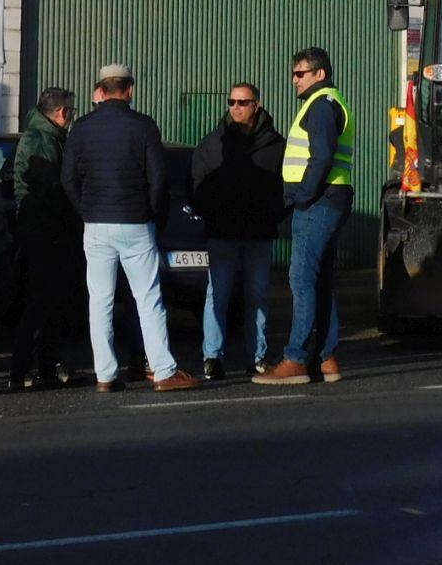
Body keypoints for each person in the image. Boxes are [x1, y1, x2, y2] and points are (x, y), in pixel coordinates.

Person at [60, 64, 198, 393]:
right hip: (136, 221)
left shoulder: (82, 128)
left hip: (96, 223)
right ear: (130, 89)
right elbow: (159, 180)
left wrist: (85, 211)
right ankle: (164, 371)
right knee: (148, 298)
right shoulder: (143, 126)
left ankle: (106, 375)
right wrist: (153, 215)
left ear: (101, 90)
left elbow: (67, 179)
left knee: (100, 301)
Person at [256, 47, 353, 385]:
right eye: (294, 73)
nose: (294, 80)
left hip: (318, 202)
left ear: (319, 74)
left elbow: (322, 156)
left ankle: (296, 359)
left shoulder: (321, 105)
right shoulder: (328, 102)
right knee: (319, 281)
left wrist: (302, 195)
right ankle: (326, 359)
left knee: (301, 280)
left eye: (300, 73)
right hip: (330, 198)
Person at [191, 81, 284, 380]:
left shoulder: (275, 145)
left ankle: (256, 357)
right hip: (222, 232)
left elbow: (286, 187)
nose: (235, 108)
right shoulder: (213, 143)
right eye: (231, 102)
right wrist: (213, 215)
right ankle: (212, 357)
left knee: (257, 296)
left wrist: (274, 215)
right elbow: (197, 185)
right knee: (217, 295)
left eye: (242, 102)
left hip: (259, 233)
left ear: (256, 105)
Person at [10, 85, 83, 390]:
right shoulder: (42, 140)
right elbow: (51, 189)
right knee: (40, 302)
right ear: (62, 112)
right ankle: (21, 370)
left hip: (45, 230)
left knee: (50, 302)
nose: (72, 117)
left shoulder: (47, 137)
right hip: (45, 232)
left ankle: (46, 366)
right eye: (71, 111)